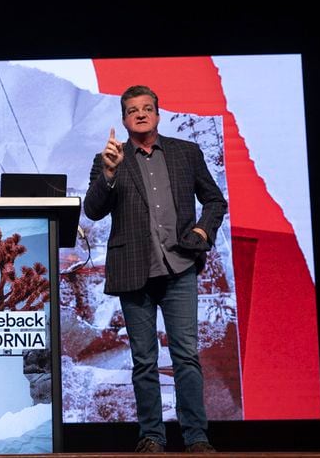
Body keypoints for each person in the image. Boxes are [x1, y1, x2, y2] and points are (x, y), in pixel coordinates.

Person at [84, 85, 227, 453]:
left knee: (185, 356)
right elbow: (94, 210)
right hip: (134, 270)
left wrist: (201, 230)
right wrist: (110, 174)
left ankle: (196, 438)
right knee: (144, 360)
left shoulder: (186, 153)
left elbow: (214, 199)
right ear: (124, 119)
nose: (141, 114)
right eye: (133, 110)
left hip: (180, 266)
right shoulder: (107, 160)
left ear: (158, 115)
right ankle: (151, 437)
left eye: (147, 108)